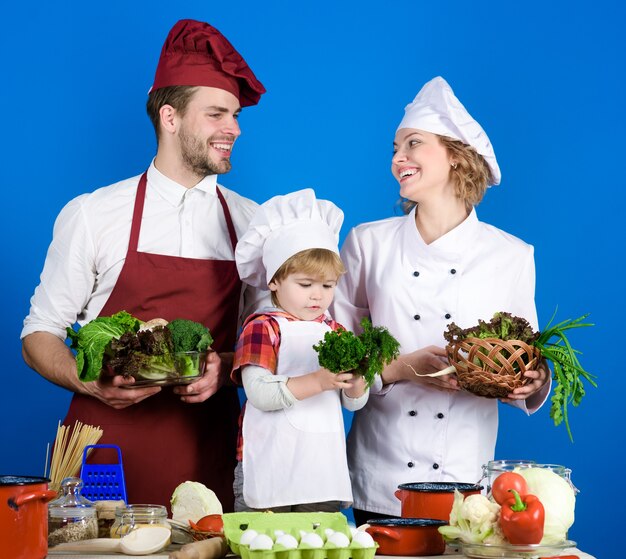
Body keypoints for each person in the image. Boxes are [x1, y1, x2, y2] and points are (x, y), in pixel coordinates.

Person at [20, 19, 266, 511]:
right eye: (217, 114)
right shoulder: (93, 214)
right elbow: (39, 335)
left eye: (235, 116)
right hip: (103, 457)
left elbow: (266, 340)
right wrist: (86, 379)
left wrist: (226, 369)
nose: (234, 129)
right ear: (170, 118)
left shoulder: (252, 222)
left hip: (206, 453)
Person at [330, 77, 551, 524]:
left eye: (413, 144)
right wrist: (400, 368)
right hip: (382, 471)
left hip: (468, 477)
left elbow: (523, 356)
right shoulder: (366, 244)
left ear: (455, 156)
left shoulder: (511, 254)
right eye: (394, 148)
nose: (397, 159)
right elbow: (337, 360)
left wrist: (532, 378)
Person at [231, 188, 369, 512]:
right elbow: (260, 394)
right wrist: (319, 382)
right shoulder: (263, 327)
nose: (317, 296)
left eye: (328, 285)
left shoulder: (336, 332)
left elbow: (354, 403)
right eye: (305, 285)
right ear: (275, 281)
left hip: (321, 468)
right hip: (269, 463)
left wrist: (360, 378)